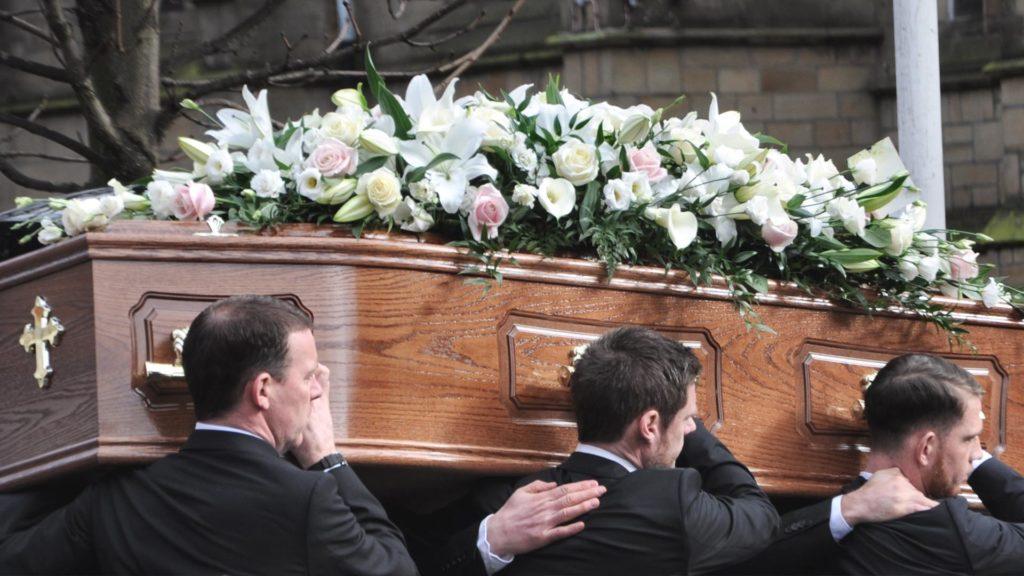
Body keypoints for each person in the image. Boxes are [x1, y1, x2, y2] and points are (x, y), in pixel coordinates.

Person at [0, 295, 603, 574]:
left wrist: (49, 433)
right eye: (311, 375)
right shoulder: (309, 501)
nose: (320, 388)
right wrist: (330, 459)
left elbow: (16, 556)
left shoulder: (116, 501)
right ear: (263, 391)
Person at [441, 326, 780, 575]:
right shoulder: (673, 501)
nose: (690, 427)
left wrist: (492, 538)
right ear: (649, 425)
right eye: (688, 418)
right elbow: (761, 517)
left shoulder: (505, 501)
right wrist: (682, 419)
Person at [737, 353, 1024, 574]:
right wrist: (980, 466)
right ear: (926, 448)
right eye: (969, 439)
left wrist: (846, 509)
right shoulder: (947, 530)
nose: (976, 452)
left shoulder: (826, 520)